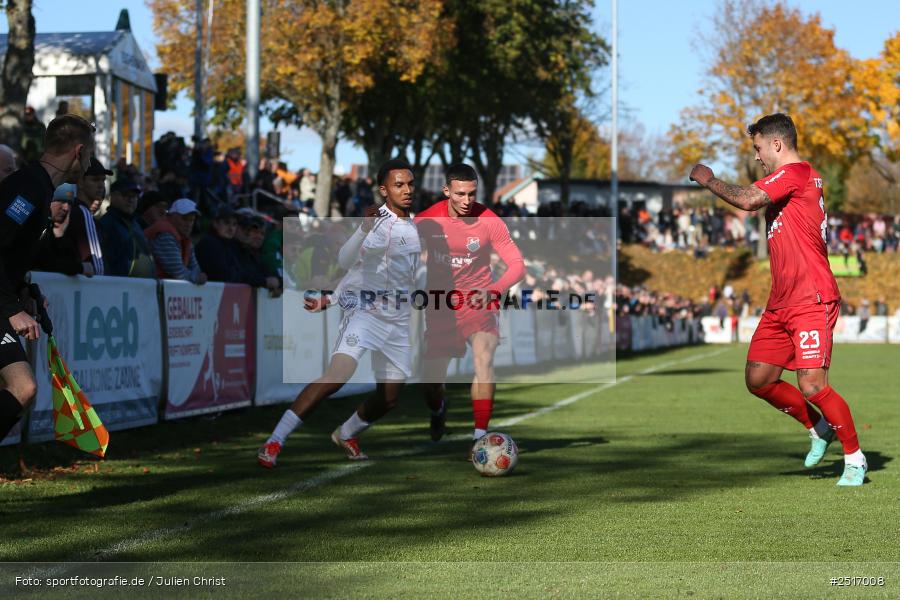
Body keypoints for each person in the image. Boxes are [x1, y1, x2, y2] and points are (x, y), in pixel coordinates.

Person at [689, 113, 866, 486]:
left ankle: (855, 459)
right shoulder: (792, 181)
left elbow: (750, 200)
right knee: (759, 378)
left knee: (813, 385)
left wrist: (709, 180)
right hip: (782, 301)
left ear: (777, 145)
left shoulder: (795, 173)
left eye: (758, 149)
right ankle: (818, 426)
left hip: (810, 297)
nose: (757, 157)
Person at [258, 159, 421, 467]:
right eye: (399, 185)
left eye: (410, 183)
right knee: (337, 376)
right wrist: (361, 230)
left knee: (389, 398)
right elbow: (348, 261)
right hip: (366, 313)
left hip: (397, 319)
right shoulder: (377, 222)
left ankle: (346, 433)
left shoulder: (412, 225)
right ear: (384, 190)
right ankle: (274, 441)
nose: (407, 189)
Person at [414, 163, 525, 443]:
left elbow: (517, 265)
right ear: (446, 190)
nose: (467, 201)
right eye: (460, 194)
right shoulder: (426, 220)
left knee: (483, 360)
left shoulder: (489, 220)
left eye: (472, 194)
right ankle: (439, 409)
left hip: (479, 301)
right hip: (440, 306)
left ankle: (480, 436)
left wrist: (495, 290)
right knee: (431, 384)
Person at [0, 114, 95, 441]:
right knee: (23, 387)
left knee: (23, 388)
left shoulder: (39, 187)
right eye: (91, 153)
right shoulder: (28, 186)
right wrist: (12, 308)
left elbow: (10, 251)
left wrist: (22, 290)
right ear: (79, 151)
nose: (90, 163)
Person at [99, 179, 155, 277]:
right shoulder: (106, 224)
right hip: (120, 287)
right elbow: (104, 264)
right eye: (125, 195)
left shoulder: (135, 223)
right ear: (113, 196)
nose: (131, 200)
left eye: (134, 196)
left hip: (141, 288)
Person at [67, 156, 112, 276]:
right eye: (95, 180)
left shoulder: (73, 211)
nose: (101, 185)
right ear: (80, 182)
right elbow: (97, 268)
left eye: (103, 180)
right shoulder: (82, 213)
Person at [145, 198, 207, 284]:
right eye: (185, 218)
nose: (189, 223)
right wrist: (197, 277)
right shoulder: (165, 234)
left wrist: (197, 276)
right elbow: (178, 273)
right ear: (171, 216)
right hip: (149, 292)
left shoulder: (185, 239)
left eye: (192, 219)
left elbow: (196, 269)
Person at [195, 205, 243, 283]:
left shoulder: (228, 245)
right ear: (215, 223)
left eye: (234, 224)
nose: (231, 228)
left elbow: (239, 273)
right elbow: (222, 275)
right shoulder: (209, 243)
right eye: (226, 223)